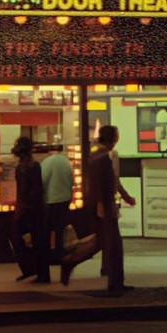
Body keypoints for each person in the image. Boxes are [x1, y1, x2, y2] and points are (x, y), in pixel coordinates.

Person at [82, 125, 127, 295]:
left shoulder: (93, 155)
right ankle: (116, 284)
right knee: (114, 244)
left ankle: (114, 280)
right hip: (105, 207)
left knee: (108, 243)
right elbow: (108, 185)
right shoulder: (104, 158)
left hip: (98, 205)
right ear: (113, 138)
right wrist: (108, 206)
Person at [9, 136, 47, 282]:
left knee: (17, 238)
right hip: (36, 209)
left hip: (27, 208)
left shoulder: (22, 168)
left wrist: (21, 207)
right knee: (38, 241)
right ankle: (40, 272)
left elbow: (24, 191)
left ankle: (30, 268)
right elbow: (37, 189)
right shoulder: (34, 165)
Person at [40, 144, 74, 267]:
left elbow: (42, 180)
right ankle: (60, 254)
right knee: (60, 229)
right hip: (65, 199)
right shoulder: (66, 162)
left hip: (51, 199)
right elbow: (72, 181)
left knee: (48, 230)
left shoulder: (47, 162)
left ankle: (49, 255)